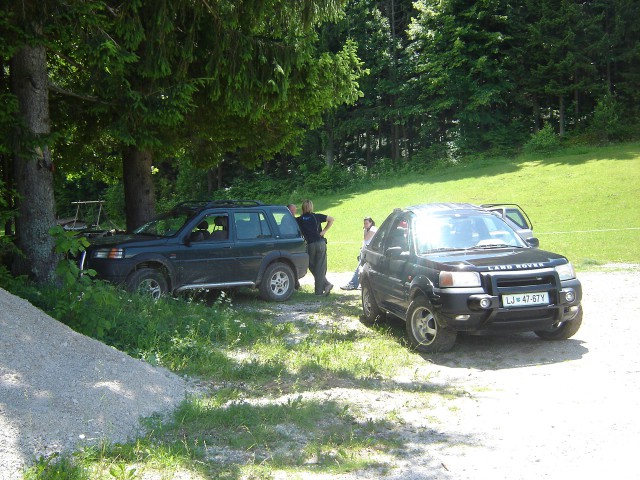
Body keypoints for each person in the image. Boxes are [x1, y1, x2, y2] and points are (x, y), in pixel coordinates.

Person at [297, 199, 334, 296]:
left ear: (302, 208)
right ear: (311, 207)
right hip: (320, 243)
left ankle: (321, 289)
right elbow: (331, 219)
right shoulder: (316, 216)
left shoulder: (300, 219)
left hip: (310, 245)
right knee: (320, 267)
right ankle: (323, 287)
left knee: (312, 266)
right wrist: (324, 231)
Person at [341, 216, 377, 290]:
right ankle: (359, 284)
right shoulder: (367, 229)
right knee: (362, 268)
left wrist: (365, 230)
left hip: (369, 251)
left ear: (371, 223)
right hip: (365, 250)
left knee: (359, 268)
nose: (365, 225)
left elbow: (366, 238)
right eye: (364, 223)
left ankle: (352, 284)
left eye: (367, 223)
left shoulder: (373, 228)